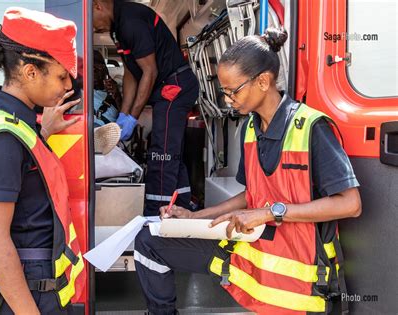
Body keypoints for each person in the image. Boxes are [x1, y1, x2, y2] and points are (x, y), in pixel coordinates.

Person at [133, 28, 362, 315]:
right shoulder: (250, 128)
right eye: (224, 92)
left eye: (233, 91)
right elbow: (250, 195)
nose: (228, 99)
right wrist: (195, 216)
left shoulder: (313, 128)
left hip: (300, 268)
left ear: (263, 81)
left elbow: (350, 204)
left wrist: (267, 213)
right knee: (148, 241)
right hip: (254, 247)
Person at [0, 7, 84, 315]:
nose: (68, 87)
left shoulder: (18, 123)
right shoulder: (5, 140)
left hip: (38, 286)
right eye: (61, 76)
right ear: (31, 71)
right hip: (28, 295)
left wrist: (42, 131)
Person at [93, 0, 200, 216]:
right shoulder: (118, 29)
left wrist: (133, 117)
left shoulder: (130, 21)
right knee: (171, 154)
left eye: (92, 21)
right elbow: (132, 73)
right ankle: (183, 207)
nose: (94, 28)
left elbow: (149, 72)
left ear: (97, 6)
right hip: (167, 88)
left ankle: (155, 216)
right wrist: (123, 114)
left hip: (174, 86)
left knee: (162, 155)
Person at [93, 50, 121, 127]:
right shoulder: (80, 92)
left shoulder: (114, 90)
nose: (94, 74)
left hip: (110, 132)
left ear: (105, 70)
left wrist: (116, 95)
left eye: (98, 68)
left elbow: (123, 116)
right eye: (90, 69)